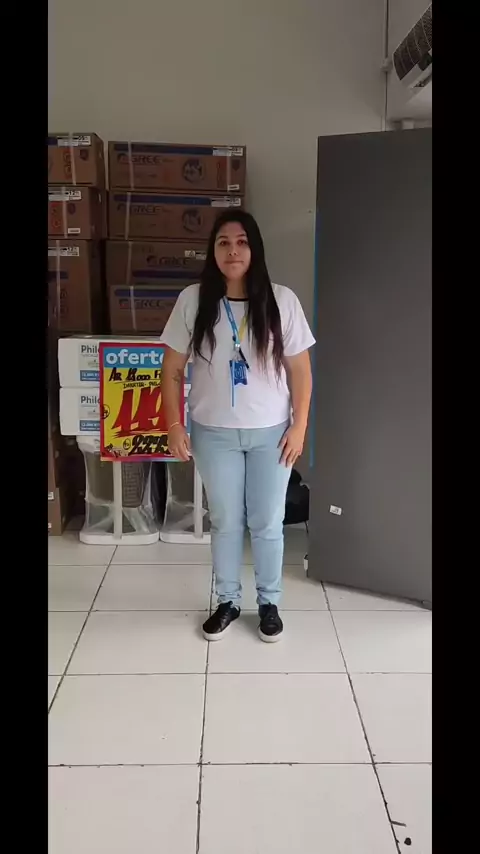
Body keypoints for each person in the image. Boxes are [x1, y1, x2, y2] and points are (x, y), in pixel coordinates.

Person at [161, 210, 315, 642]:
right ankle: (227, 600)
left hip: (273, 434)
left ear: (255, 249)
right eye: (223, 243)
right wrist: (173, 424)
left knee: (267, 521)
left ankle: (269, 604)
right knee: (226, 521)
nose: (233, 251)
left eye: (242, 242)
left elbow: (301, 371)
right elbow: (171, 368)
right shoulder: (194, 300)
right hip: (212, 434)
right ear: (213, 251)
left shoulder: (281, 300)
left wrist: (300, 426)